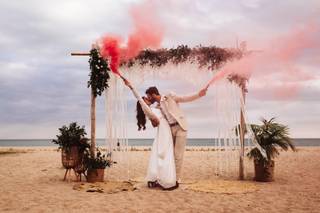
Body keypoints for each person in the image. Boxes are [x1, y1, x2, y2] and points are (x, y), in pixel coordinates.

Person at [145, 85, 207, 188]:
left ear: (153, 94)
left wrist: (198, 94)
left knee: (178, 156)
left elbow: (184, 98)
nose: (148, 98)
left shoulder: (169, 96)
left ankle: (176, 180)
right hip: (170, 130)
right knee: (171, 155)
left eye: (149, 96)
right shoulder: (157, 107)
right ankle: (170, 177)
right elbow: (155, 119)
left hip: (180, 127)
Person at [123, 78, 177, 190]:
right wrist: (131, 86)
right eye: (145, 99)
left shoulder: (153, 108)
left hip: (163, 130)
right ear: (142, 103)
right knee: (164, 154)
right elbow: (139, 97)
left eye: (147, 97)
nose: (147, 98)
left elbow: (160, 115)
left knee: (161, 154)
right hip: (163, 131)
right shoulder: (146, 108)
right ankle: (166, 181)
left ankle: (158, 179)